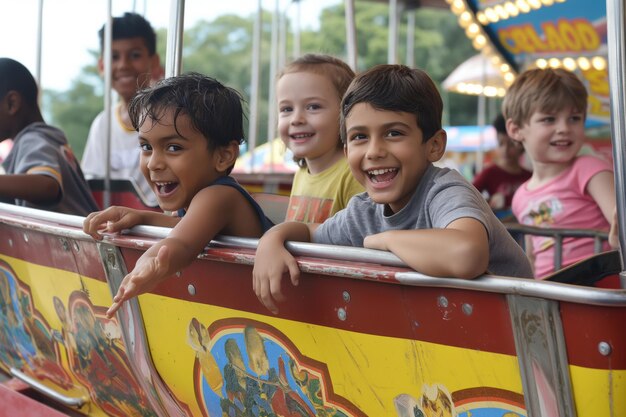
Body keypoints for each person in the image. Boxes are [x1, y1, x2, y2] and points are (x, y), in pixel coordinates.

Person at [253, 64, 532, 313]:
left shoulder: (445, 190)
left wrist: (386, 241)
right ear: (347, 148)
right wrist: (272, 240)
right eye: (360, 137)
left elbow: (466, 254)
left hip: (524, 335)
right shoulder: (363, 210)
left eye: (394, 133)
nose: (374, 151)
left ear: (434, 145)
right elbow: (310, 232)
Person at [83, 73, 274, 318]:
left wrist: (146, 265)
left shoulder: (220, 196)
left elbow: (182, 243)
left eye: (173, 148)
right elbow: (188, 227)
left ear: (223, 156)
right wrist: (141, 217)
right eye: (146, 147)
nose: (153, 163)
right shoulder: (203, 201)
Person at [504, 68, 616, 278]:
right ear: (516, 129)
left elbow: (619, 222)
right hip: (551, 291)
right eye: (549, 119)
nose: (564, 128)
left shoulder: (590, 169)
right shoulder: (521, 196)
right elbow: (531, 256)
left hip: (595, 283)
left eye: (574, 118)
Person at [81, 12, 162, 207]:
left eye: (135, 55)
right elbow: (92, 184)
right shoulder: (103, 124)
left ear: (154, 62)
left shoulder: (165, 118)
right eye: (114, 57)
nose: (123, 65)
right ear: (102, 65)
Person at [0, 57, 98, 215]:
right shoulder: (44, 139)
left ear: (12, 103)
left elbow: (47, 186)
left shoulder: (33, 139)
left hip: (75, 239)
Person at [277, 54, 364, 223]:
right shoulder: (301, 175)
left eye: (313, 107)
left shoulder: (353, 173)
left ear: (346, 113)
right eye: (286, 109)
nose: (296, 119)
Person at [472, 114, 531, 218]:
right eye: (500, 144)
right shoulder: (489, 173)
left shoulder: (530, 176)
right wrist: (486, 204)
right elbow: (467, 196)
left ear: (522, 146)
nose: (505, 150)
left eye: (511, 145)